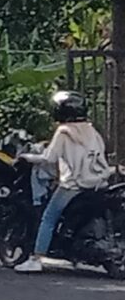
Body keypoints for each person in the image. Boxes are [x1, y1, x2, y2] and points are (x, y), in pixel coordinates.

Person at [18, 90, 111, 272]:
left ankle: (36, 259)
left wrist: (28, 157)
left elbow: (49, 158)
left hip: (74, 184)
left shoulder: (63, 132)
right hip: (99, 181)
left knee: (49, 218)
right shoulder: (91, 130)